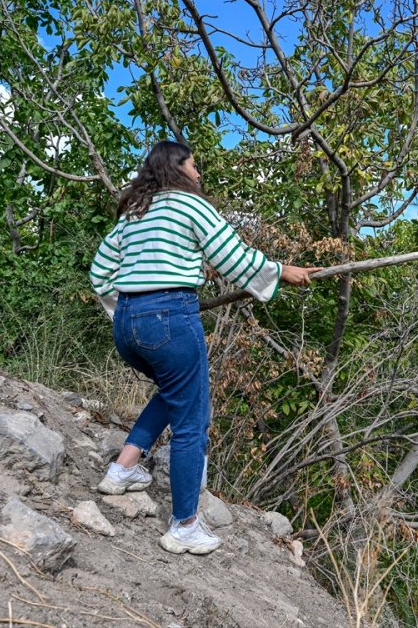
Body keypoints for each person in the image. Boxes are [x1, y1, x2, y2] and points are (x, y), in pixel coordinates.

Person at [88, 141, 320, 555]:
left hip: (127, 323)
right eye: (194, 167)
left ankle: (121, 470)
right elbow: (233, 256)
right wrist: (282, 272)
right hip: (171, 319)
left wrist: (130, 310)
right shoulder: (190, 205)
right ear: (177, 169)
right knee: (193, 420)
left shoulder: (136, 212)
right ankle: (184, 526)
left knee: (174, 391)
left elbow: (101, 271)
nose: (199, 175)